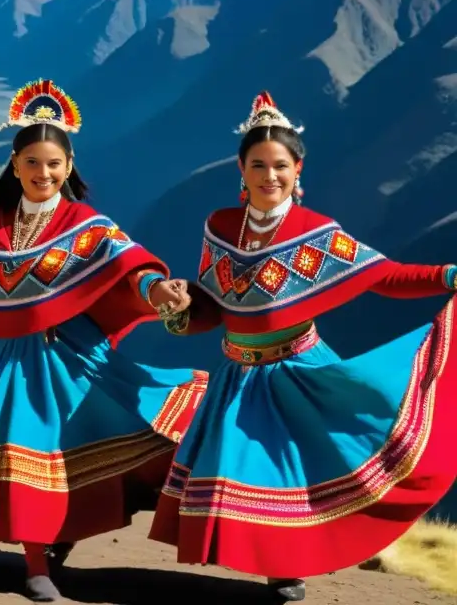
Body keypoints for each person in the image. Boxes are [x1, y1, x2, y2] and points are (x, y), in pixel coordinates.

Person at [149, 91, 457, 602]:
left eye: (280, 166)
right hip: (236, 375)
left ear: (298, 169)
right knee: (251, 475)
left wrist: (449, 274)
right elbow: (212, 306)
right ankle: (271, 564)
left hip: (297, 371)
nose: (270, 176)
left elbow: (385, 276)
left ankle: (287, 571)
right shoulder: (220, 227)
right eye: (258, 165)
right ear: (241, 170)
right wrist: (180, 308)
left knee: (297, 475)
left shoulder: (317, 235)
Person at [0, 79, 209, 602]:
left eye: (53, 163)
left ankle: (62, 539)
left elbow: (128, 270)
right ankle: (36, 564)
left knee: (73, 453)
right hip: (8, 363)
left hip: (74, 358)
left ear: (69, 165)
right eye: (32, 162)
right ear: (14, 166)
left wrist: (157, 290)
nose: (43, 173)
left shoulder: (88, 226)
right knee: (26, 453)